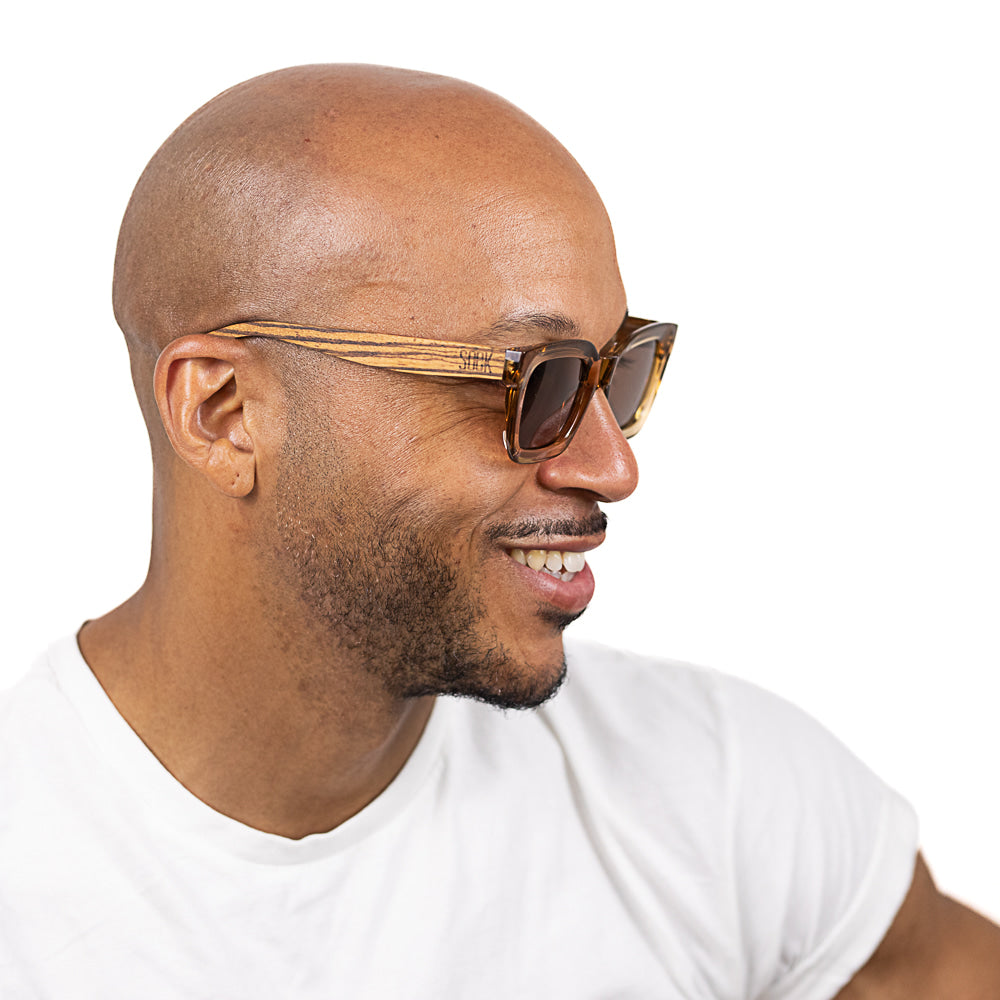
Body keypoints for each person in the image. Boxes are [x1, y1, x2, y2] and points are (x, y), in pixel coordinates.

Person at [1, 63, 997, 999]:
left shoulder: (724, 798)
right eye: (536, 381)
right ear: (225, 412)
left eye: (615, 375)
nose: (613, 467)